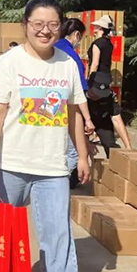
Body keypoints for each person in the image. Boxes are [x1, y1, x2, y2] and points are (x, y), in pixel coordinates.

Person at [0, 0, 96, 272]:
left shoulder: (68, 64)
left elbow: (73, 113)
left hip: (52, 169)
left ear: (61, 27)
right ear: (25, 25)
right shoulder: (8, 63)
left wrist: (80, 155)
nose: (45, 31)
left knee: (59, 246)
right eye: (38, 24)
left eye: (53, 24)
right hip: (11, 165)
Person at [55, 18, 89, 187]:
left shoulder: (53, 48)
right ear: (76, 34)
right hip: (68, 110)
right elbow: (78, 93)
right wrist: (87, 119)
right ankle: (60, 184)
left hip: (47, 107)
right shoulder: (71, 57)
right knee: (73, 151)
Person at [86, 71, 131, 157]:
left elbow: (117, 119)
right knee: (79, 149)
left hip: (102, 120)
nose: (97, 96)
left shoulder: (110, 95)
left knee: (110, 145)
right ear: (89, 86)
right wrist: (86, 143)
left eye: (100, 94)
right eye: (94, 93)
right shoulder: (80, 92)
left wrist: (128, 147)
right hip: (81, 120)